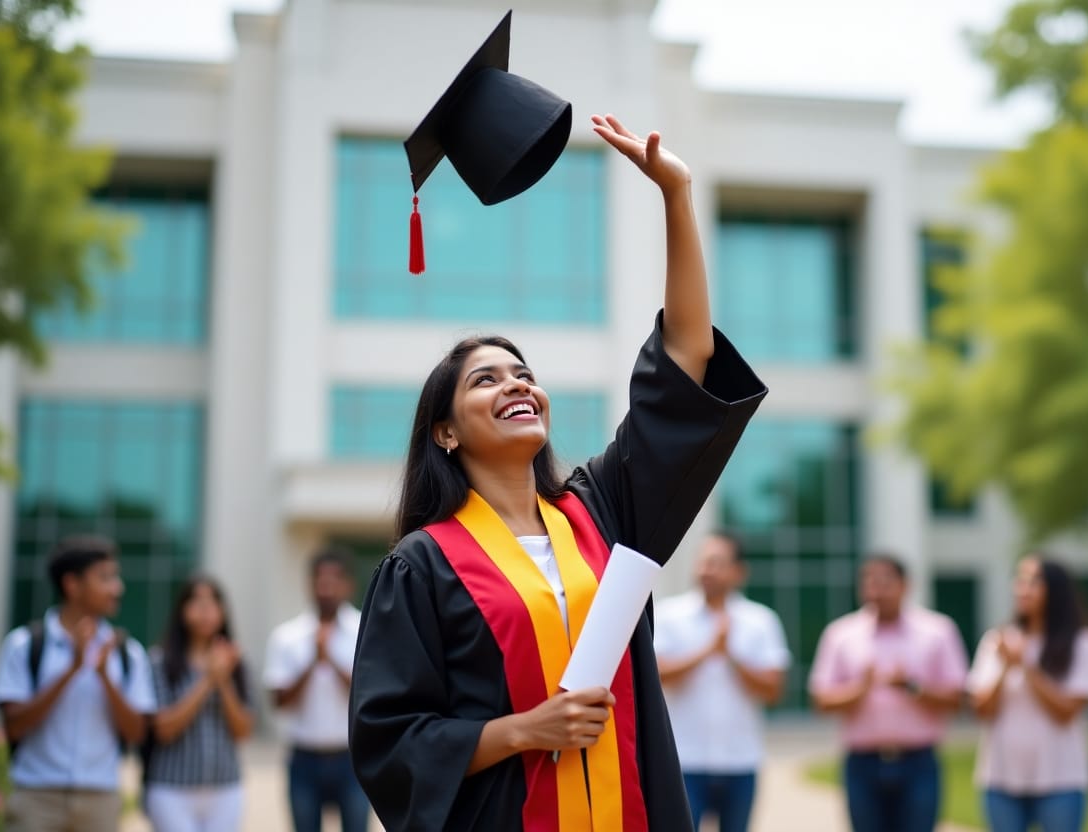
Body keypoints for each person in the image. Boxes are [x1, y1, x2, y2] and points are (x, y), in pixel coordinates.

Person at [347, 108, 767, 829]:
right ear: (444, 432)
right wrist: (521, 730)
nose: (515, 384)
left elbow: (686, 363)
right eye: (485, 380)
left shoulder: (599, 511)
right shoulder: (423, 566)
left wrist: (677, 197)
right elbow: (390, 740)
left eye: (522, 373)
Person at [0, 535, 156, 832]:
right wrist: (72, 670)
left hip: (100, 799)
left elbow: (136, 732)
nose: (117, 588)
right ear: (72, 584)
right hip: (36, 798)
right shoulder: (24, 645)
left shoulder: (126, 653)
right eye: (105, 578)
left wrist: (105, 678)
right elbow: (14, 725)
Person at [807, 553, 968, 832]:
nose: (876, 590)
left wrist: (912, 687)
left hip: (918, 762)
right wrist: (859, 689)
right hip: (862, 764)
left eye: (884, 582)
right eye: (869, 582)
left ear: (905, 585)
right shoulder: (841, 634)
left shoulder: (937, 631)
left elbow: (958, 699)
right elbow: (820, 701)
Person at [654, 531, 791, 832]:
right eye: (703, 562)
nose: (706, 570)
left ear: (739, 572)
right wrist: (707, 650)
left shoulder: (761, 620)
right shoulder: (669, 615)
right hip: (683, 761)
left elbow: (773, 690)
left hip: (741, 761)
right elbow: (657, 676)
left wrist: (731, 656)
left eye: (717, 563)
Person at [968, 555, 1088, 832]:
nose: (1022, 588)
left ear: (1056, 590)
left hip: (1061, 777)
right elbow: (982, 709)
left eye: (1033, 582)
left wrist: (1026, 668)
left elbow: (1066, 712)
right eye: (1019, 580)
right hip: (1001, 777)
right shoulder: (998, 640)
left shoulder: (1083, 642)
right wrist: (1006, 668)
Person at [264, 549, 368, 832]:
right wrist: (312, 662)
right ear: (309, 583)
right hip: (304, 760)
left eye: (334, 579)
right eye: (320, 579)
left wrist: (331, 660)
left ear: (348, 585)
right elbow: (278, 701)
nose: (326, 586)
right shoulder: (288, 636)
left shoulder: (364, 630)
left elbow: (368, 695)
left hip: (351, 758)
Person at [144, 575, 254, 832]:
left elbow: (243, 731)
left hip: (226, 788)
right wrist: (207, 681)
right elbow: (164, 729)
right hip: (171, 789)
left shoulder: (236, 663)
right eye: (196, 602)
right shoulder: (160, 662)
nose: (205, 610)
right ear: (181, 609)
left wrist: (224, 681)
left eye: (213, 602)